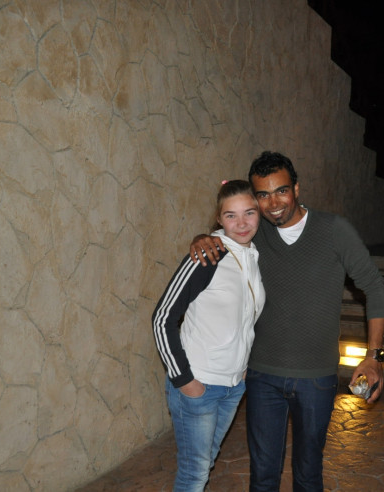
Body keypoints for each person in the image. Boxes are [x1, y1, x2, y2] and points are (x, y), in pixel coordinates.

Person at [189, 151, 384, 491]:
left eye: (281, 190)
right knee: (263, 475)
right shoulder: (255, 233)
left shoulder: (334, 230)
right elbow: (225, 233)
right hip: (262, 375)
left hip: (316, 377)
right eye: (263, 195)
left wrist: (374, 357)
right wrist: (202, 238)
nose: (273, 203)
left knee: (308, 473)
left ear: (296, 188)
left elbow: (374, 287)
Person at [153, 180, 266, 492]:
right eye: (231, 215)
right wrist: (185, 381)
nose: (241, 223)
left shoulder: (253, 256)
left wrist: (243, 370)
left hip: (233, 386)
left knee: (205, 462)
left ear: (259, 213)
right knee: (194, 474)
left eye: (249, 213)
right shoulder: (207, 257)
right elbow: (162, 318)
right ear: (219, 219)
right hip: (199, 384)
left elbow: (246, 319)